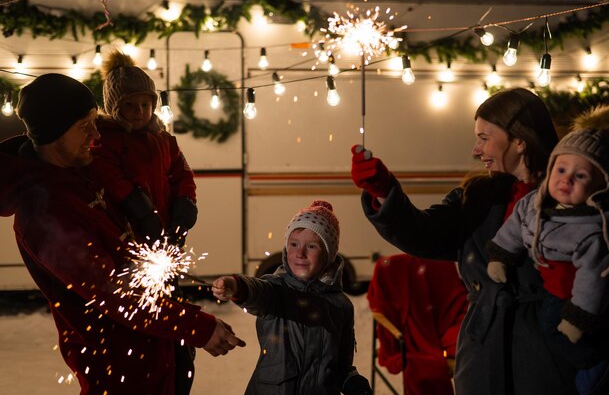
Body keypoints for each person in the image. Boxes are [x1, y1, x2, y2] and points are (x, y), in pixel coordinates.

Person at [350, 87, 609, 395]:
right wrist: (384, 190)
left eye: (484, 138)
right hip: (484, 354)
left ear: (519, 139)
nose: (476, 150)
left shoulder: (580, 198)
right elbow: (423, 233)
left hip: (554, 358)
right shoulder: (476, 197)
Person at [0, 73, 245, 395]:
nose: (96, 133)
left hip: (153, 349)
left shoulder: (80, 173)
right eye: (84, 125)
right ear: (54, 133)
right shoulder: (44, 214)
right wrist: (195, 326)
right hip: (119, 371)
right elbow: (112, 293)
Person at [486, 104, 609, 395]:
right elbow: (515, 227)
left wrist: (579, 316)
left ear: (600, 186)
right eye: (561, 170)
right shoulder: (535, 202)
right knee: (550, 329)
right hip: (550, 288)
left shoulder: (594, 228)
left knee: (565, 333)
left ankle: (601, 364)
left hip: (577, 296)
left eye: (581, 176)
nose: (566, 179)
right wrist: (501, 256)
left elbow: (594, 278)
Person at [212, 200, 373, 395]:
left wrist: (352, 381)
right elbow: (257, 291)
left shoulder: (341, 306)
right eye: (294, 244)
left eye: (312, 246)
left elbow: (340, 366)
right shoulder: (277, 290)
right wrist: (237, 285)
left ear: (329, 254)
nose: (300, 253)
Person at [89, 50, 197, 247]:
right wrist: (138, 207)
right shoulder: (106, 140)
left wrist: (184, 206)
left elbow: (182, 174)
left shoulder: (164, 140)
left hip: (165, 228)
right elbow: (110, 177)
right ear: (115, 107)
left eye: (145, 104)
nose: (139, 110)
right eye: (130, 104)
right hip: (129, 230)